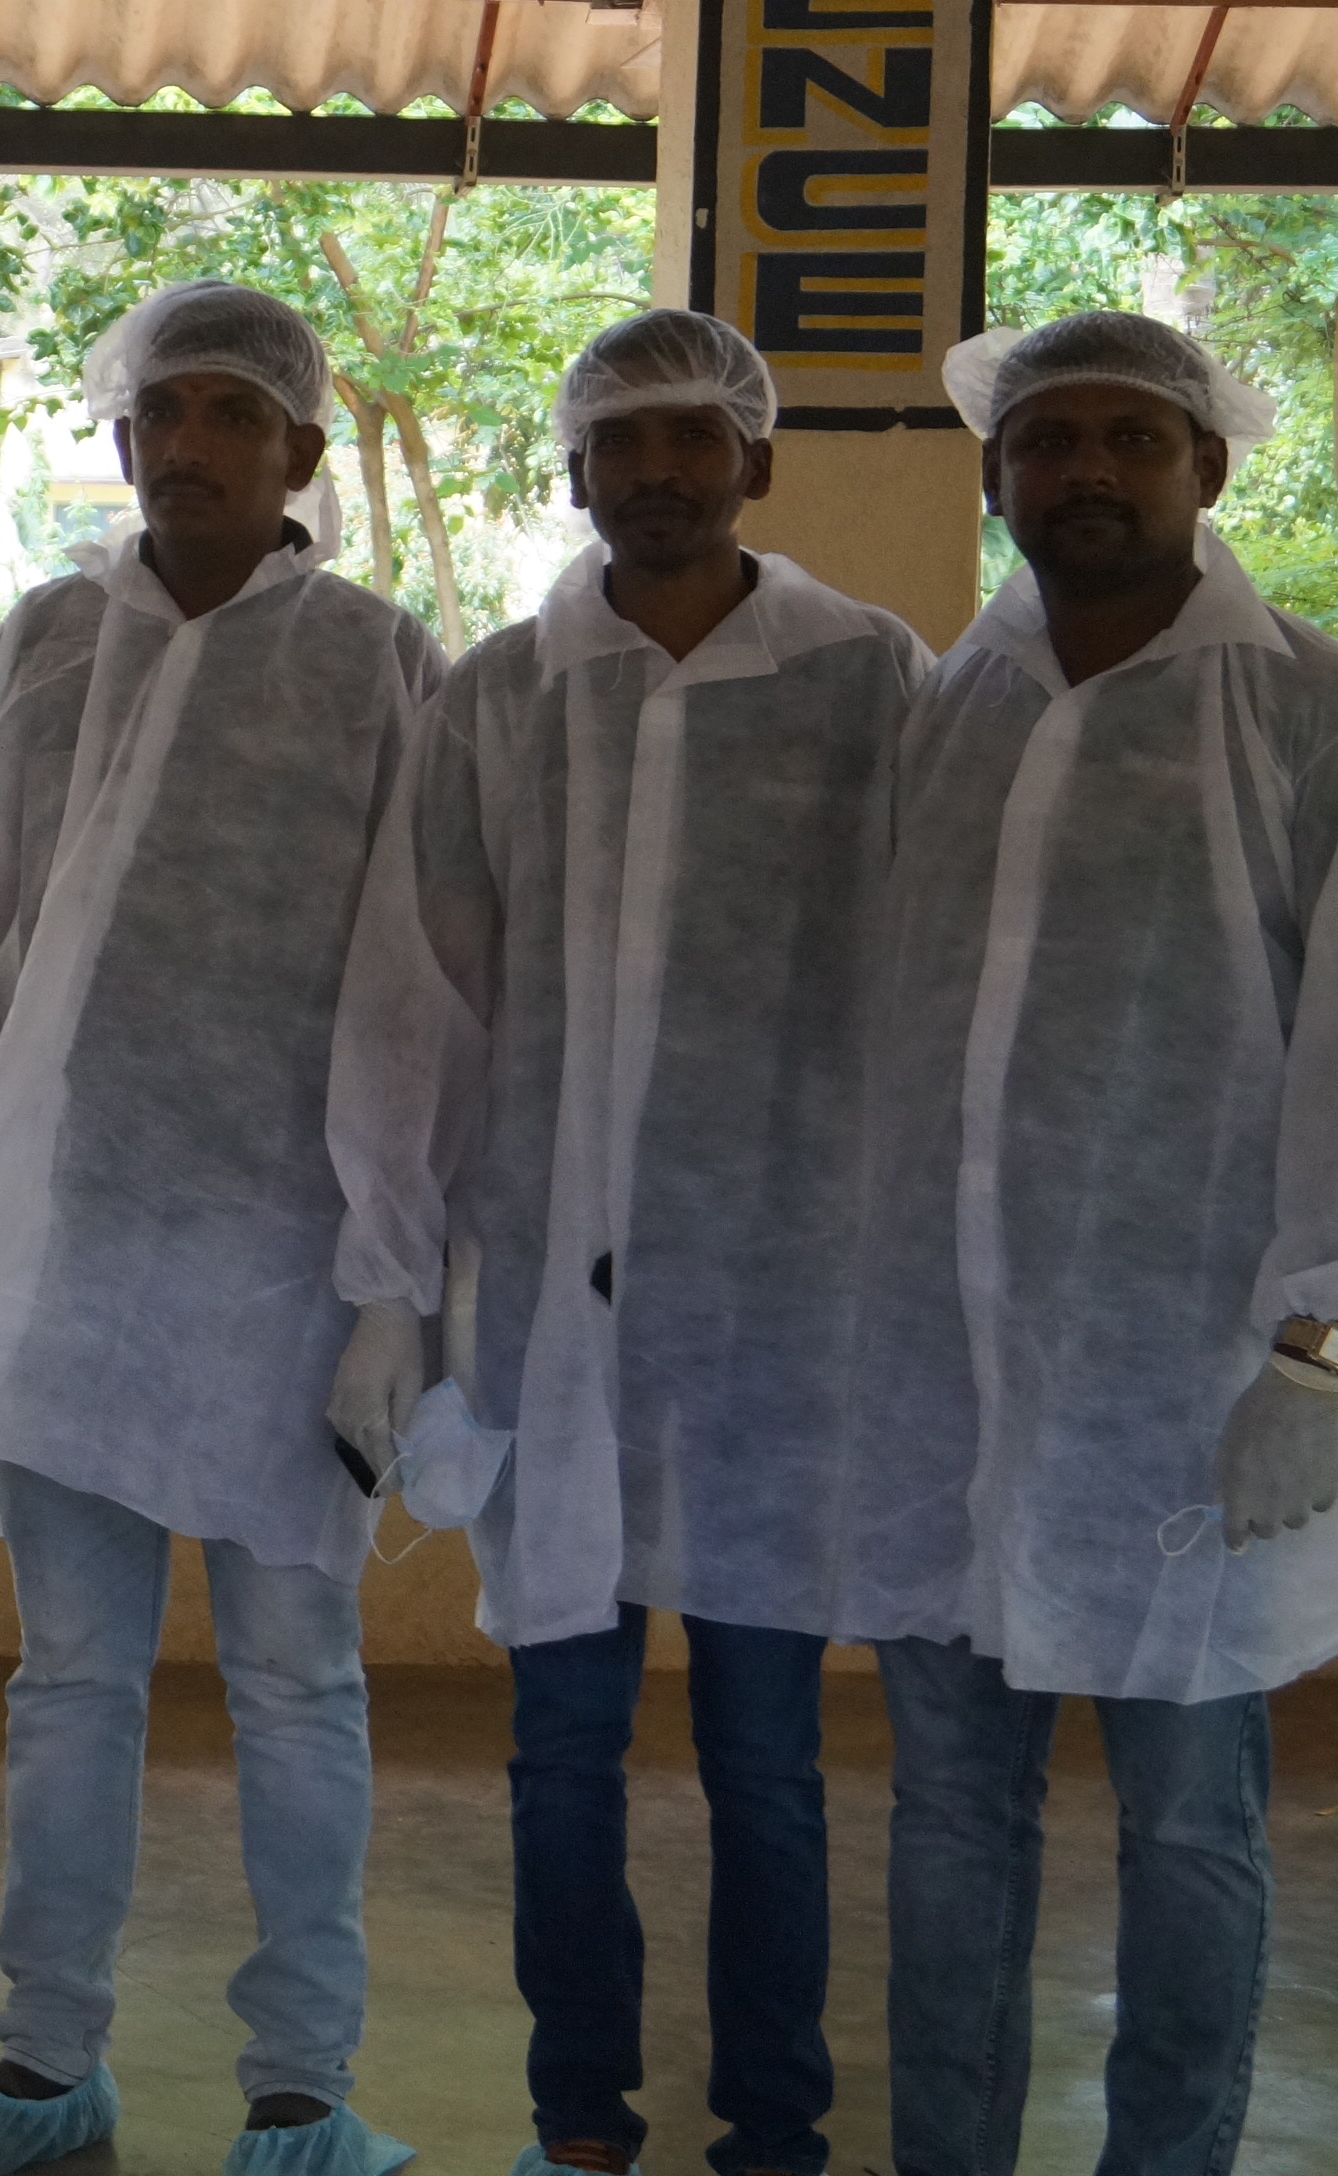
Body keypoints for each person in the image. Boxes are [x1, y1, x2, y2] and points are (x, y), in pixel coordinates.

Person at [835, 311, 1338, 2176]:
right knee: (951, 1816)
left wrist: (1323, 1370)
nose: (1087, 471)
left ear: (1209, 468)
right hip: (948, 1397)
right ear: (995, 475)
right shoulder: (948, 715)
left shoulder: (1324, 718)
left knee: (1191, 1824)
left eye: (1132, 437)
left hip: (1199, 1405)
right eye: (1049, 440)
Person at [320, 309, 932, 2176]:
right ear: (573, 470)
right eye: (623, 442)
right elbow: (421, 998)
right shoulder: (501, 693)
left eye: (693, 438)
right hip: (547, 1320)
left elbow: (939, 978)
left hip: (779, 1318)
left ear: (757, 462)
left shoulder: (872, 680)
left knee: (767, 1764)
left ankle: (776, 2132)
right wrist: (396, 1288)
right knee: (563, 1755)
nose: (658, 471)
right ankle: (579, 2120)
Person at [0, 282, 438, 2176]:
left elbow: (422, 984)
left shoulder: (378, 664)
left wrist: (396, 1279)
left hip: (290, 1266)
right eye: (162, 413)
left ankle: (304, 2083)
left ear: (301, 452)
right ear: (121, 442)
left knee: (297, 1679)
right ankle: (47, 2060)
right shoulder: (42, 648)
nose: (191, 444)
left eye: (233, 413)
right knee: (70, 1680)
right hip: (63, 1255)